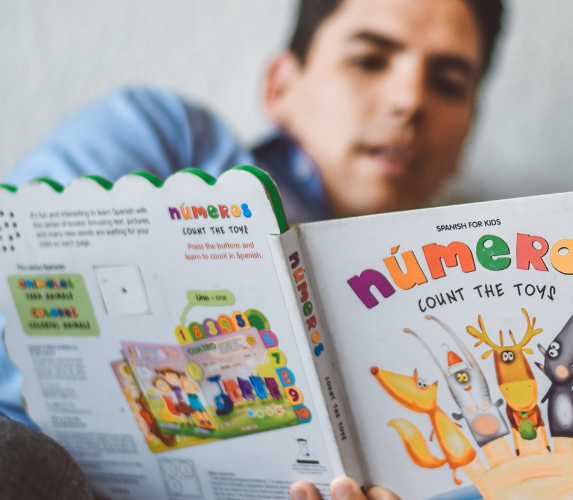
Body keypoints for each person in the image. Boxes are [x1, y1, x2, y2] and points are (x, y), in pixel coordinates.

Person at [0, 0, 501, 498]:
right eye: (368, 60)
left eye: (447, 84)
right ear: (279, 86)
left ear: (470, 132)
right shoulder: (164, 140)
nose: (410, 101)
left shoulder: (468, 338)